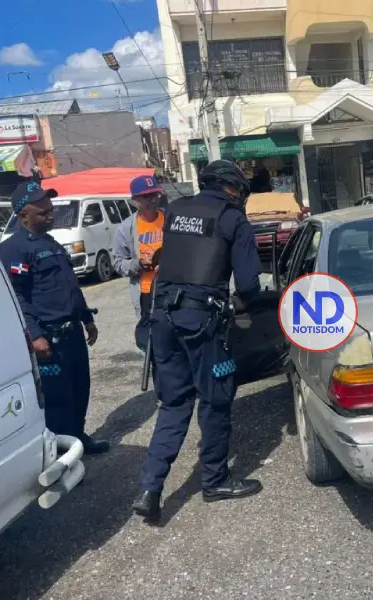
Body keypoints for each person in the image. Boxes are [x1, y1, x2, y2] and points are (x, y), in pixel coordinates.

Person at [132, 160, 263, 522]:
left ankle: (150, 487)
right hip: (202, 324)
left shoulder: (175, 211)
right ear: (233, 188)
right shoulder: (232, 218)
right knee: (215, 399)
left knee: (174, 404)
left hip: (163, 319)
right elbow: (249, 285)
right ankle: (215, 480)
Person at [0, 182, 109, 454]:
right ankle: (62, 454)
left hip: (71, 334)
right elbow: (17, 297)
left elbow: (70, 285)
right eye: (43, 212)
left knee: (80, 387)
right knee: (59, 398)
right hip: (48, 338)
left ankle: (78, 438)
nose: (51, 215)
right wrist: (35, 335)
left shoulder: (51, 243)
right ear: (23, 214)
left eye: (50, 210)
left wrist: (86, 319)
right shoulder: (14, 250)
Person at [113, 175, 167, 398]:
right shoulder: (126, 228)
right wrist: (137, 265)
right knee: (155, 344)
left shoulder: (171, 219)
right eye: (145, 197)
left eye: (154, 195)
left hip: (172, 287)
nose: (151, 201)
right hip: (147, 293)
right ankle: (163, 390)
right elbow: (117, 262)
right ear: (135, 200)